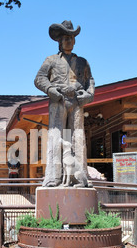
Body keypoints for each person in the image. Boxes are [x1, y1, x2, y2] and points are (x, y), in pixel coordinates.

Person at [34, 20, 95, 187]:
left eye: (72, 38)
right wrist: (51, 91)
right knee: (56, 136)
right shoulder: (51, 60)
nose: (69, 41)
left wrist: (89, 95)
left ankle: (80, 176)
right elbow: (39, 79)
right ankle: (54, 177)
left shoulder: (83, 62)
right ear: (59, 41)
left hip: (76, 101)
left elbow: (90, 80)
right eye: (66, 38)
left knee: (78, 136)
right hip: (58, 101)